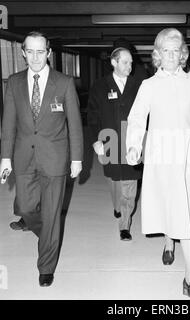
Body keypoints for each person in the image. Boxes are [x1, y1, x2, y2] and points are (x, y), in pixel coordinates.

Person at [126, 28, 190, 299]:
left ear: (182, 55)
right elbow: (136, 118)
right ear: (157, 54)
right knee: (169, 206)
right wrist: (132, 145)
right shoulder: (149, 85)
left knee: (188, 218)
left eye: (175, 51)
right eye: (164, 50)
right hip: (161, 158)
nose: (170, 55)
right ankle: (169, 240)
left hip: (189, 160)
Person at [0, 31, 83, 287]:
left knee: (52, 212)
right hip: (24, 156)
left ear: (48, 53)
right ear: (23, 53)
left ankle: (46, 266)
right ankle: (44, 233)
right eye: (30, 51)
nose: (35, 57)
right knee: (25, 208)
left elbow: (75, 125)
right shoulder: (13, 82)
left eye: (41, 51)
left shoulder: (64, 82)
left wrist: (77, 158)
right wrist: (5, 157)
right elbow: (9, 124)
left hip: (55, 159)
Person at [87, 47, 144, 241]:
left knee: (130, 185)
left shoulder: (139, 85)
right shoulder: (100, 86)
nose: (130, 66)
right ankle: (117, 206)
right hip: (108, 139)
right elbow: (93, 115)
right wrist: (96, 140)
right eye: (125, 62)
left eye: (131, 62)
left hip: (132, 143)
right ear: (114, 62)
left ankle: (124, 226)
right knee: (113, 181)